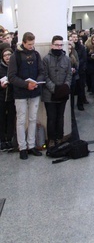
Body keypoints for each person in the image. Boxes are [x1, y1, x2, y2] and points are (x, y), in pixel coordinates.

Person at [8, 32, 44, 160]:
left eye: (33, 44)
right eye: (29, 44)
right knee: (21, 120)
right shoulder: (15, 56)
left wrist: (36, 82)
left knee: (33, 119)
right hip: (20, 93)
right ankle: (22, 147)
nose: (31, 46)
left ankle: (31, 145)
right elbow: (11, 76)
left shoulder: (36, 54)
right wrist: (25, 84)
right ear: (23, 43)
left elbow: (41, 71)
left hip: (34, 90)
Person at [42, 36, 72, 148]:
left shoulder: (66, 59)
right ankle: (51, 139)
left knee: (60, 117)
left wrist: (65, 86)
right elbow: (44, 76)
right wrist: (54, 88)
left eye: (61, 45)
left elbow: (69, 74)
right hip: (50, 94)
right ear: (52, 45)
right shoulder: (46, 59)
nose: (59, 47)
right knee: (51, 117)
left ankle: (60, 138)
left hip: (62, 92)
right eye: (57, 45)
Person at [0, 47, 16, 151]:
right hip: (1, 97)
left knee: (11, 118)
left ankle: (10, 139)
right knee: (1, 119)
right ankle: (2, 140)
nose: (7, 57)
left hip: (12, 97)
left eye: (9, 55)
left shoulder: (15, 67)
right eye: (5, 55)